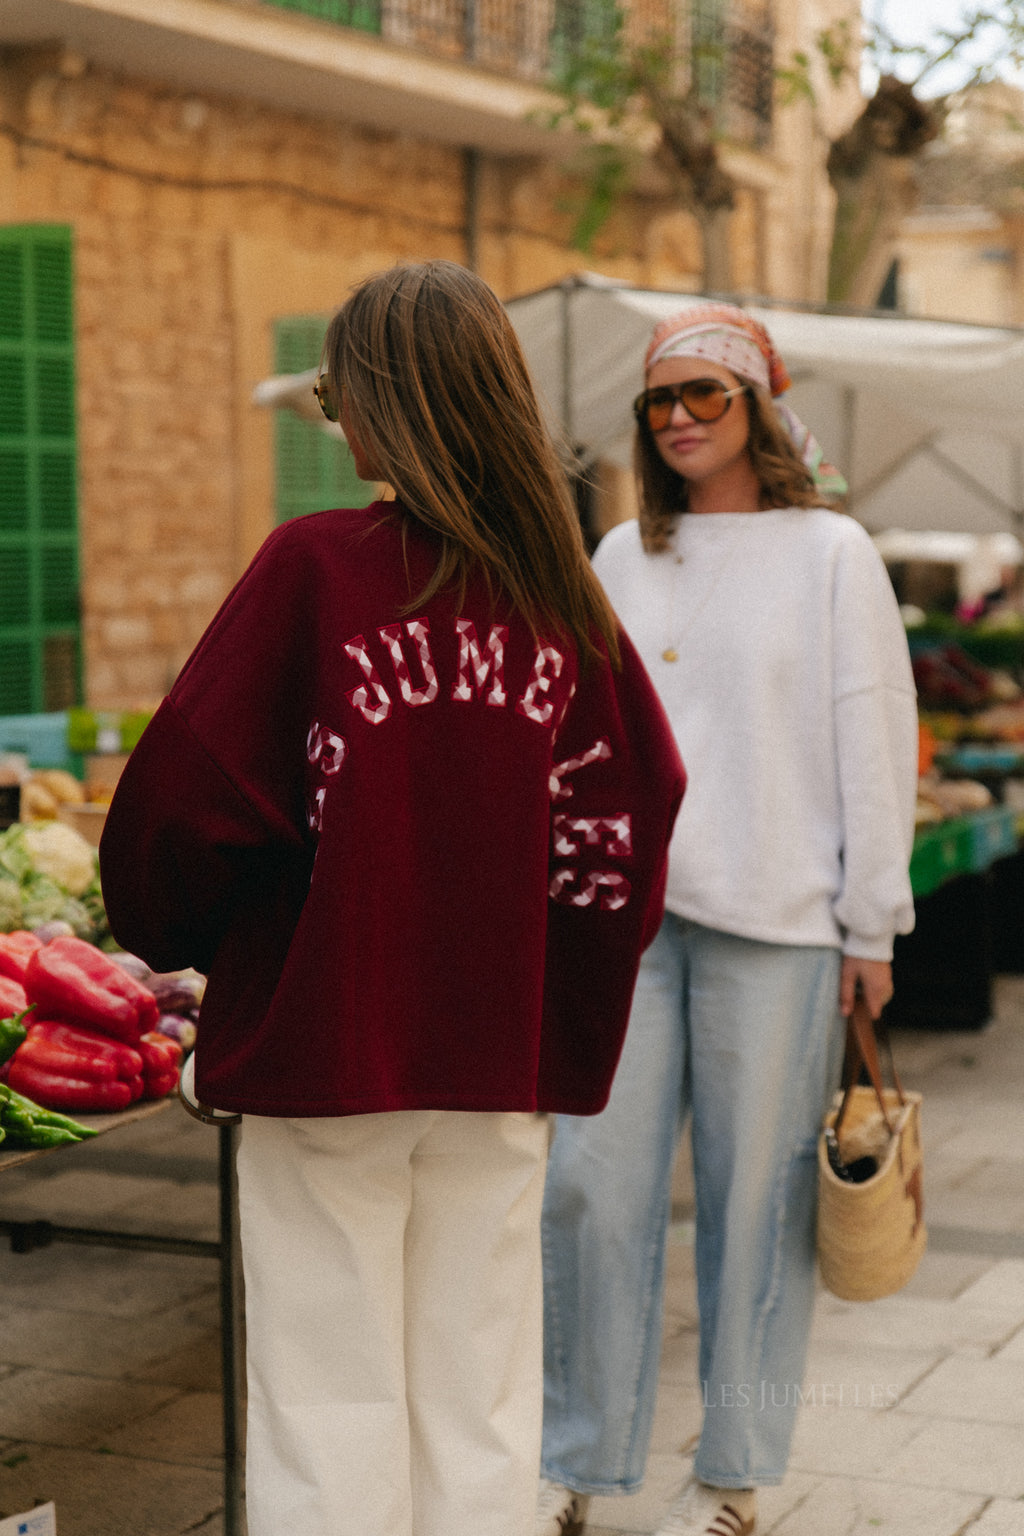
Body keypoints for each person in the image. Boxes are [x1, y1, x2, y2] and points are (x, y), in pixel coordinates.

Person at [97, 260, 684, 1536]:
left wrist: (185, 938)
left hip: (327, 1046)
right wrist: (557, 998)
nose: (334, 420)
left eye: (335, 391)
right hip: (500, 1057)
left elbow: (189, 799)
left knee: (329, 1396)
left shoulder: (316, 569)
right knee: (478, 1394)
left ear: (382, 401)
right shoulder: (563, 601)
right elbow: (630, 820)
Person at [536, 302, 917, 1536]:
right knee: (591, 1194)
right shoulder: (617, 555)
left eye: (707, 394)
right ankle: (578, 1464)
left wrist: (873, 925)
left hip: (785, 921)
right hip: (628, 924)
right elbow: (583, 743)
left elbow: (872, 740)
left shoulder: (830, 553)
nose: (681, 418)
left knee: (757, 1211)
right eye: (661, 400)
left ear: (759, 407)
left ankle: (735, 1476)